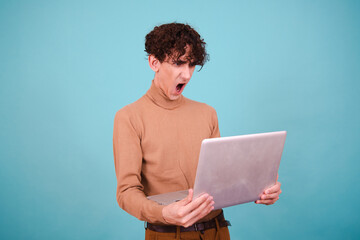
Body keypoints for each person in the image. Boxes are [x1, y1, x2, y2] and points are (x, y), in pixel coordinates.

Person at [113, 23, 282, 240]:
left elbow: (222, 179)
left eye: (192, 65)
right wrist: (163, 213)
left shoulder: (207, 113)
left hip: (219, 231)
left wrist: (261, 186)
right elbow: (126, 193)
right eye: (179, 63)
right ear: (154, 62)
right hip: (168, 235)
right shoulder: (129, 117)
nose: (187, 74)